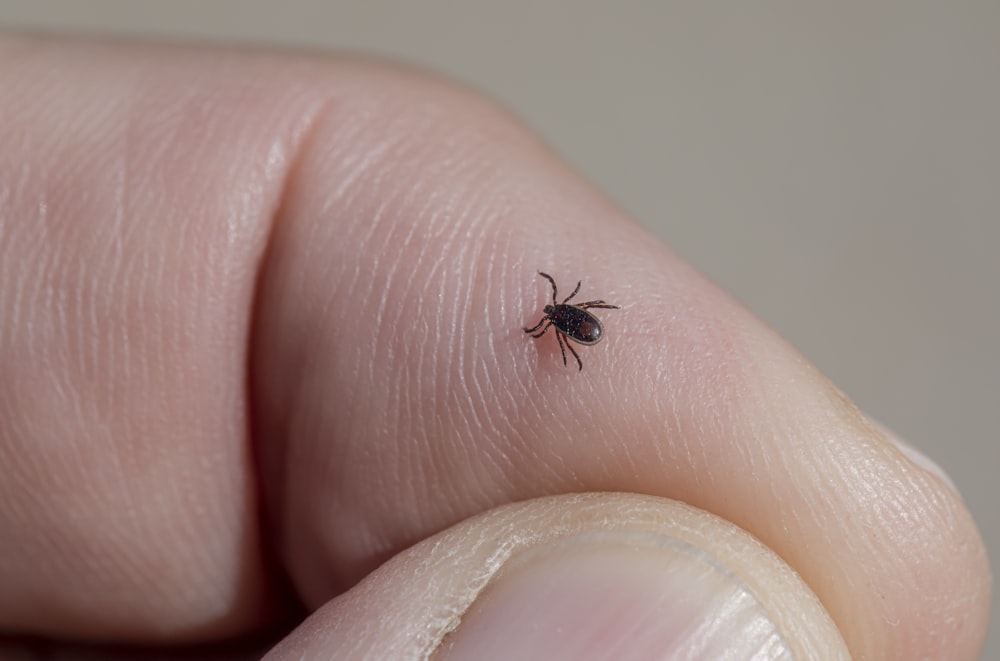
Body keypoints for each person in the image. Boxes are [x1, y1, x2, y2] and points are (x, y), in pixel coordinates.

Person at [0, 36, 990, 659]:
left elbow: (568, 316)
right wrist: (570, 336)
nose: (560, 324)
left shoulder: (556, 322)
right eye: (560, 321)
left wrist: (561, 332)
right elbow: (576, 315)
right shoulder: (566, 322)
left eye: (562, 321)